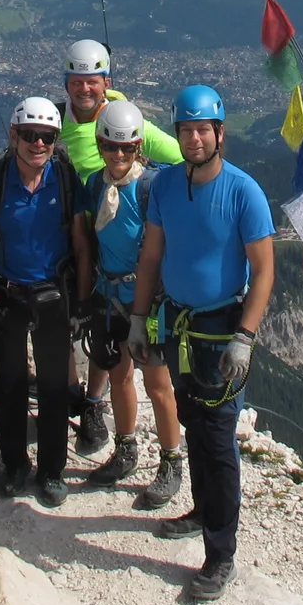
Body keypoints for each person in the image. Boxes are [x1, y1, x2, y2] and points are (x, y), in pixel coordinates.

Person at [129, 85, 275, 604]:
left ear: (219, 133)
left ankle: (220, 553)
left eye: (202, 130)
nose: (194, 139)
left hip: (220, 329)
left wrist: (245, 337)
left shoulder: (243, 192)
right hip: (179, 327)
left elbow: (263, 271)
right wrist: (139, 319)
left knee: (216, 438)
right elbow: (151, 256)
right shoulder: (165, 186)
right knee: (193, 421)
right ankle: (203, 510)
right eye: (186, 130)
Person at [0, 96, 93, 508]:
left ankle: (52, 470)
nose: (38, 144)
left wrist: (83, 304)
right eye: (30, 135)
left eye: (47, 137)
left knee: (54, 387)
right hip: (8, 297)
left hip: (54, 296)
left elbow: (80, 244)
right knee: (10, 386)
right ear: (14, 136)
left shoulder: (65, 180)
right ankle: (15, 465)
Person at [58, 38, 182, 453]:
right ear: (66, 82)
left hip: (125, 254)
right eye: (77, 81)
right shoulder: (57, 124)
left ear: (105, 82)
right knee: (90, 327)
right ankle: (82, 401)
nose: (84, 89)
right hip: (80, 238)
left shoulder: (126, 120)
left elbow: (181, 156)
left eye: (92, 81)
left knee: (126, 352)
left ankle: (96, 405)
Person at [77, 99, 186, 506]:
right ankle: (126, 449)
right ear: (100, 145)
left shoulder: (150, 187)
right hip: (109, 297)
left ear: (138, 147)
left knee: (158, 383)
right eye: (110, 147)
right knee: (119, 375)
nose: (118, 155)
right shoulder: (95, 186)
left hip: (148, 301)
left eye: (125, 148)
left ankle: (171, 461)